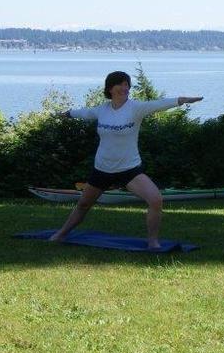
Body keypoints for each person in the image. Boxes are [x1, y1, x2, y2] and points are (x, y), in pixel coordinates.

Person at [49, 70, 202, 248]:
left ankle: (153, 242)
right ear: (110, 89)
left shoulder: (135, 108)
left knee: (156, 200)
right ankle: (60, 234)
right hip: (102, 169)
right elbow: (83, 113)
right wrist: (65, 114)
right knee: (83, 204)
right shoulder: (102, 110)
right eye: (120, 84)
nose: (125, 87)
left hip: (129, 170)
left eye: (127, 84)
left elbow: (159, 104)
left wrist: (181, 100)